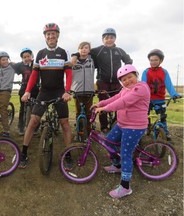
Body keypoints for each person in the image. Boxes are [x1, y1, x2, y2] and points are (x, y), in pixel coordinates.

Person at [92, 64, 150, 198]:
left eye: (130, 77)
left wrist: (105, 109)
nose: (127, 81)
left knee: (125, 154)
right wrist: (100, 104)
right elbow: (116, 98)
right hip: (122, 124)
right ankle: (117, 166)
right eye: (124, 79)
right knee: (108, 142)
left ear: (136, 75)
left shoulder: (140, 88)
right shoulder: (125, 89)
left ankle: (125, 187)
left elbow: (123, 102)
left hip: (134, 127)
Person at [19, 23, 72, 169]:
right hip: (45, 91)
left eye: (53, 33)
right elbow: (34, 75)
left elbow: (68, 73)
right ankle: (24, 153)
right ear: (45, 37)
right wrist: (28, 91)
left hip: (59, 91)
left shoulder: (64, 52)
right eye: (48, 34)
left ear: (58, 35)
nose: (51, 36)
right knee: (33, 121)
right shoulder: (40, 54)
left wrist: (67, 91)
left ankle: (68, 154)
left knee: (65, 124)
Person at [72, 28, 133, 133]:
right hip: (102, 81)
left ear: (115, 38)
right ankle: (104, 126)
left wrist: (126, 73)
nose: (109, 40)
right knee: (103, 104)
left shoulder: (119, 50)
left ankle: (118, 124)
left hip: (116, 82)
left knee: (120, 103)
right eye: (106, 38)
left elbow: (128, 61)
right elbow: (84, 51)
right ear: (103, 39)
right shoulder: (98, 50)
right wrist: (75, 55)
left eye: (111, 37)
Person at [141, 49, 181, 141]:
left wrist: (174, 94)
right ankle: (142, 131)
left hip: (160, 99)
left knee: (162, 117)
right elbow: (143, 85)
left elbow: (169, 85)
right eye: (151, 60)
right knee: (143, 116)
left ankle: (165, 133)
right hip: (147, 99)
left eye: (156, 60)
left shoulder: (164, 72)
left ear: (160, 61)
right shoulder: (146, 72)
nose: (153, 62)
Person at [13, 48, 39, 135]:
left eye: (28, 56)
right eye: (24, 57)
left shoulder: (37, 64)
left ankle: (35, 128)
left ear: (32, 56)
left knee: (35, 110)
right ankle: (21, 127)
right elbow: (11, 66)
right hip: (24, 89)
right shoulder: (20, 65)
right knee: (22, 109)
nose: (27, 58)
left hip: (35, 89)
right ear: (22, 58)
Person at [71, 41, 95, 136]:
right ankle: (79, 133)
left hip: (89, 91)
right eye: (81, 48)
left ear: (89, 50)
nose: (84, 50)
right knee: (78, 113)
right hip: (77, 91)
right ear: (78, 50)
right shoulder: (73, 61)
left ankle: (88, 133)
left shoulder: (93, 60)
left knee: (88, 114)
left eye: (86, 48)